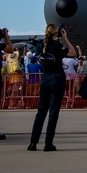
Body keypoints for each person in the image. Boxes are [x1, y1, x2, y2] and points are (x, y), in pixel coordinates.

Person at [29, 24, 76, 152]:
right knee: (53, 112)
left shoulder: (42, 46)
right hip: (57, 79)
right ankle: (48, 143)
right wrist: (65, 39)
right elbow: (73, 52)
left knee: (41, 112)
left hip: (45, 79)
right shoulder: (57, 46)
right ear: (56, 34)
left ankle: (33, 142)